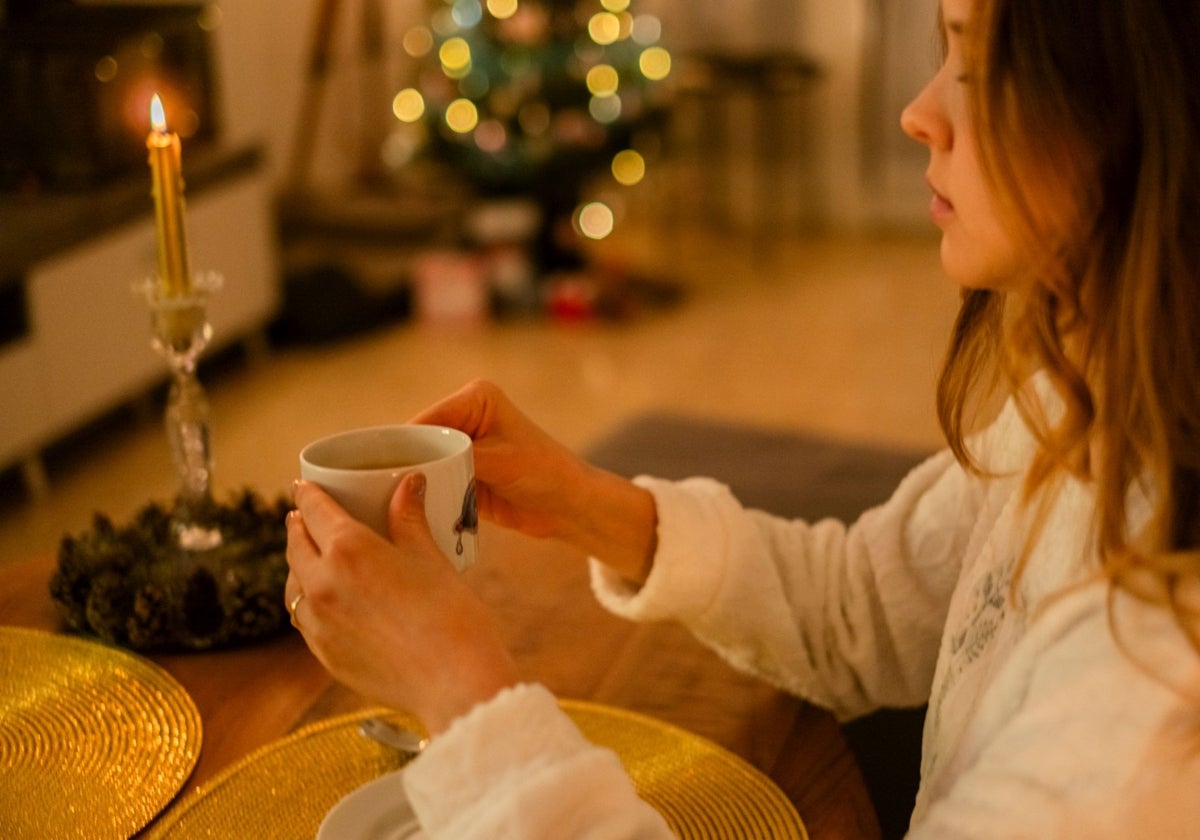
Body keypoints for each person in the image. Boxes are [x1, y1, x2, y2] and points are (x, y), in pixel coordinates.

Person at [284, 0, 1200, 835]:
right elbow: (866, 609)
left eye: (973, 66)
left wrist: (458, 688)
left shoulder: (1150, 701)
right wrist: (592, 506)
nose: (918, 112)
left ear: (1137, 113)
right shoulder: (1083, 399)